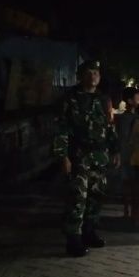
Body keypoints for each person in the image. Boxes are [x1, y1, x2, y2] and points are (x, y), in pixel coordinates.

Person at [53, 60, 120, 257]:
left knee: (96, 196)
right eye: (89, 72)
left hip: (99, 156)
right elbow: (61, 128)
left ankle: (89, 232)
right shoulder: (70, 99)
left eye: (96, 72)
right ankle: (73, 239)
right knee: (78, 198)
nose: (93, 76)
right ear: (81, 76)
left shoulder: (103, 99)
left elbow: (110, 125)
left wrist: (115, 149)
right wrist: (63, 156)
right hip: (79, 155)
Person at [115, 86, 139, 218]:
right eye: (138, 98)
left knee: (128, 183)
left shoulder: (125, 117)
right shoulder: (131, 118)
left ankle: (128, 210)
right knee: (133, 183)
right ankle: (131, 211)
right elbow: (128, 137)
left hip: (126, 153)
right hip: (130, 154)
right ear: (130, 101)